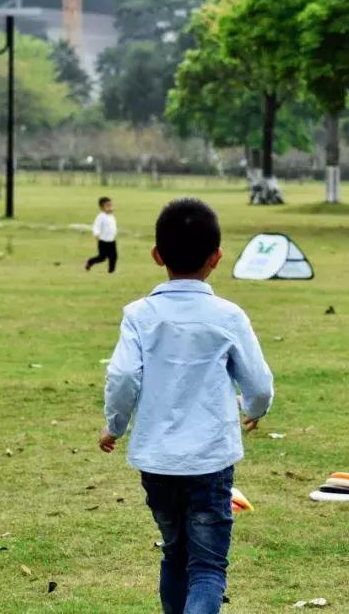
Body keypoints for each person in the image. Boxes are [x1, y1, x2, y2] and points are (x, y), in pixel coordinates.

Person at [99, 198, 274, 614]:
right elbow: (259, 383)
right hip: (210, 464)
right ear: (217, 258)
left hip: (157, 464)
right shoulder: (228, 316)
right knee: (208, 567)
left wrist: (115, 426)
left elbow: (122, 378)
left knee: (174, 553)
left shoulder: (139, 315)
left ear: (157, 255)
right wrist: (255, 407)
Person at [85, 196, 118, 272]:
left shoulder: (111, 216)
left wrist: (114, 233)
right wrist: (96, 233)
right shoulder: (101, 216)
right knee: (102, 257)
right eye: (107, 206)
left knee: (114, 257)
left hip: (112, 240)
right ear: (102, 207)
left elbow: (113, 226)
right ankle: (90, 262)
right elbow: (96, 226)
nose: (110, 207)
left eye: (111, 205)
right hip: (103, 241)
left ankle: (111, 271)